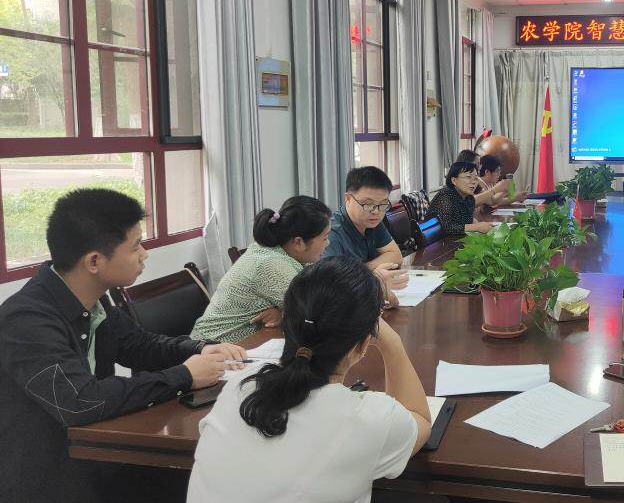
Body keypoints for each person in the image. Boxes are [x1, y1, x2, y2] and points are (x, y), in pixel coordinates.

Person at [0, 189, 246, 503]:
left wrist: (198, 349)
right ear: (94, 261)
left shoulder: (94, 300)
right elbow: (79, 401)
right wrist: (185, 376)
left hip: (96, 457)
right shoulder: (27, 319)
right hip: (48, 478)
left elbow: (140, 346)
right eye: (135, 246)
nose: (145, 254)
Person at [187, 257, 431, 503]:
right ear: (364, 343)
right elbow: (419, 420)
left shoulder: (240, 387)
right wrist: (392, 344)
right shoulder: (368, 419)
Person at [191, 196, 332, 343]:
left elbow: (320, 291)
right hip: (213, 347)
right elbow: (322, 314)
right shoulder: (272, 264)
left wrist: (285, 311)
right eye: (325, 238)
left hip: (245, 342)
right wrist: (290, 312)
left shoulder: (279, 252)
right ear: (298, 242)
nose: (328, 243)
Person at [323, 166, 408, 305]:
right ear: (348, 199)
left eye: (383, 204)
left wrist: (364, 271)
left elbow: (395, 255)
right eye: (368, 204)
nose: (376, 211)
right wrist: (372, 275)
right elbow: (331, 283)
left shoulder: (372, 221)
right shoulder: (330, 233)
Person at [428, 161, 493, 235]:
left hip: (458, 238)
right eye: (468, 177)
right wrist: (476, 227)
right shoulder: (445, 196)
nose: (473, 182)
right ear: (454, 180)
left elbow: (468, 221)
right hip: (437, 240)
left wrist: (482, 225)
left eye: (475, 178)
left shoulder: (469, 198)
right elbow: (445, 227)